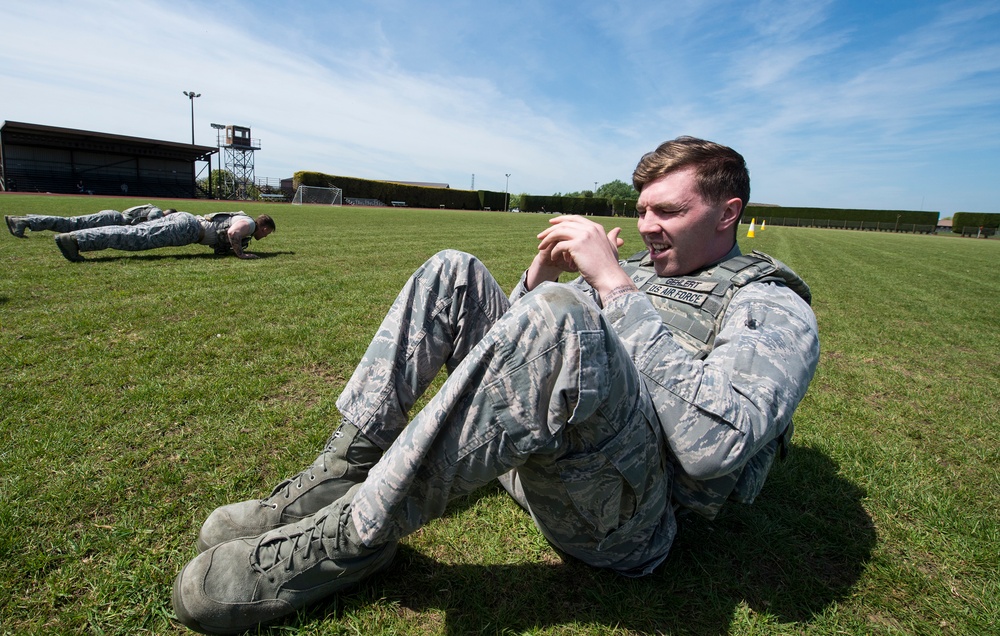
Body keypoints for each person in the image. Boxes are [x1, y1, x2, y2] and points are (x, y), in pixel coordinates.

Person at [171, 136, 820, 634]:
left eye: (669, 211)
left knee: (565, 314)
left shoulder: (768, 304)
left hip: (625, 525)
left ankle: (350, 541)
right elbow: (517, 344)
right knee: (453, 271)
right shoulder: (645, 271)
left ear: (728, 211)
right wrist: (540, 275)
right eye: (643, 208)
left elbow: (711, 447)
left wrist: (613, 287)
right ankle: (340, 473)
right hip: (541, 463)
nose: (647, 226)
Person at [52, 211, 275, 261]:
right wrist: (241, 255)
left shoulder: (244, 221)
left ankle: (75, 237)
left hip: (187, 222)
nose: (264, 238)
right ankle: (75, 240)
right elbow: (232, 232)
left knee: (135, 233)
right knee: (135, 237)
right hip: (188, 228)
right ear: (264, 228)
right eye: (268, 234)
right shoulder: (248, 223)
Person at [5, 204, 173, 238]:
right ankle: (23, 221)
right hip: (113, 219)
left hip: (111, 217)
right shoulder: (157, 211)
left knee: (70, 224)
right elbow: (152, 223)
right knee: (69, 224)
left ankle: (25, 221)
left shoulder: (151, 206)